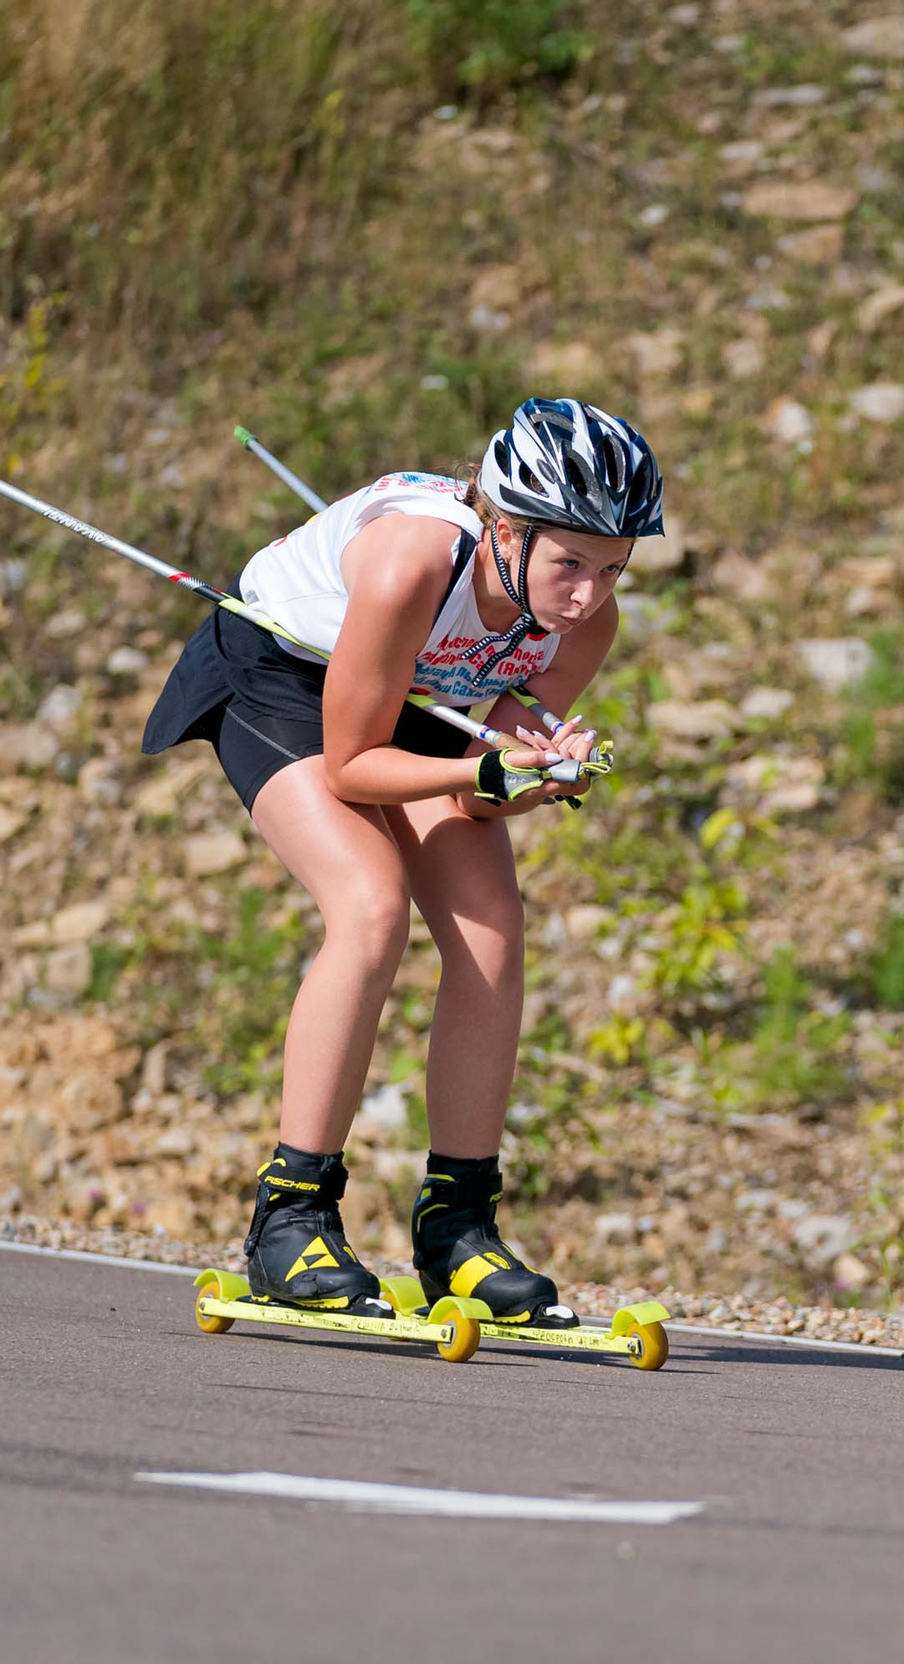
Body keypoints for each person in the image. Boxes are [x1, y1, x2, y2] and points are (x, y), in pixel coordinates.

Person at [142, 398, 663, 1326]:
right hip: (288, 673)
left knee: (493, 935)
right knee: (371, 903)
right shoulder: (408, 563)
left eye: (614, 567)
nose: (588, 594)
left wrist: (531, 769)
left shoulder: (587, 618)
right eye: (570, 563)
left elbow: (480, 758)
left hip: (426, 689)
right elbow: (354, 764)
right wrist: (486, 769)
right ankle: (288, 1215)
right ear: (507, 529)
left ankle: (456, 1225)